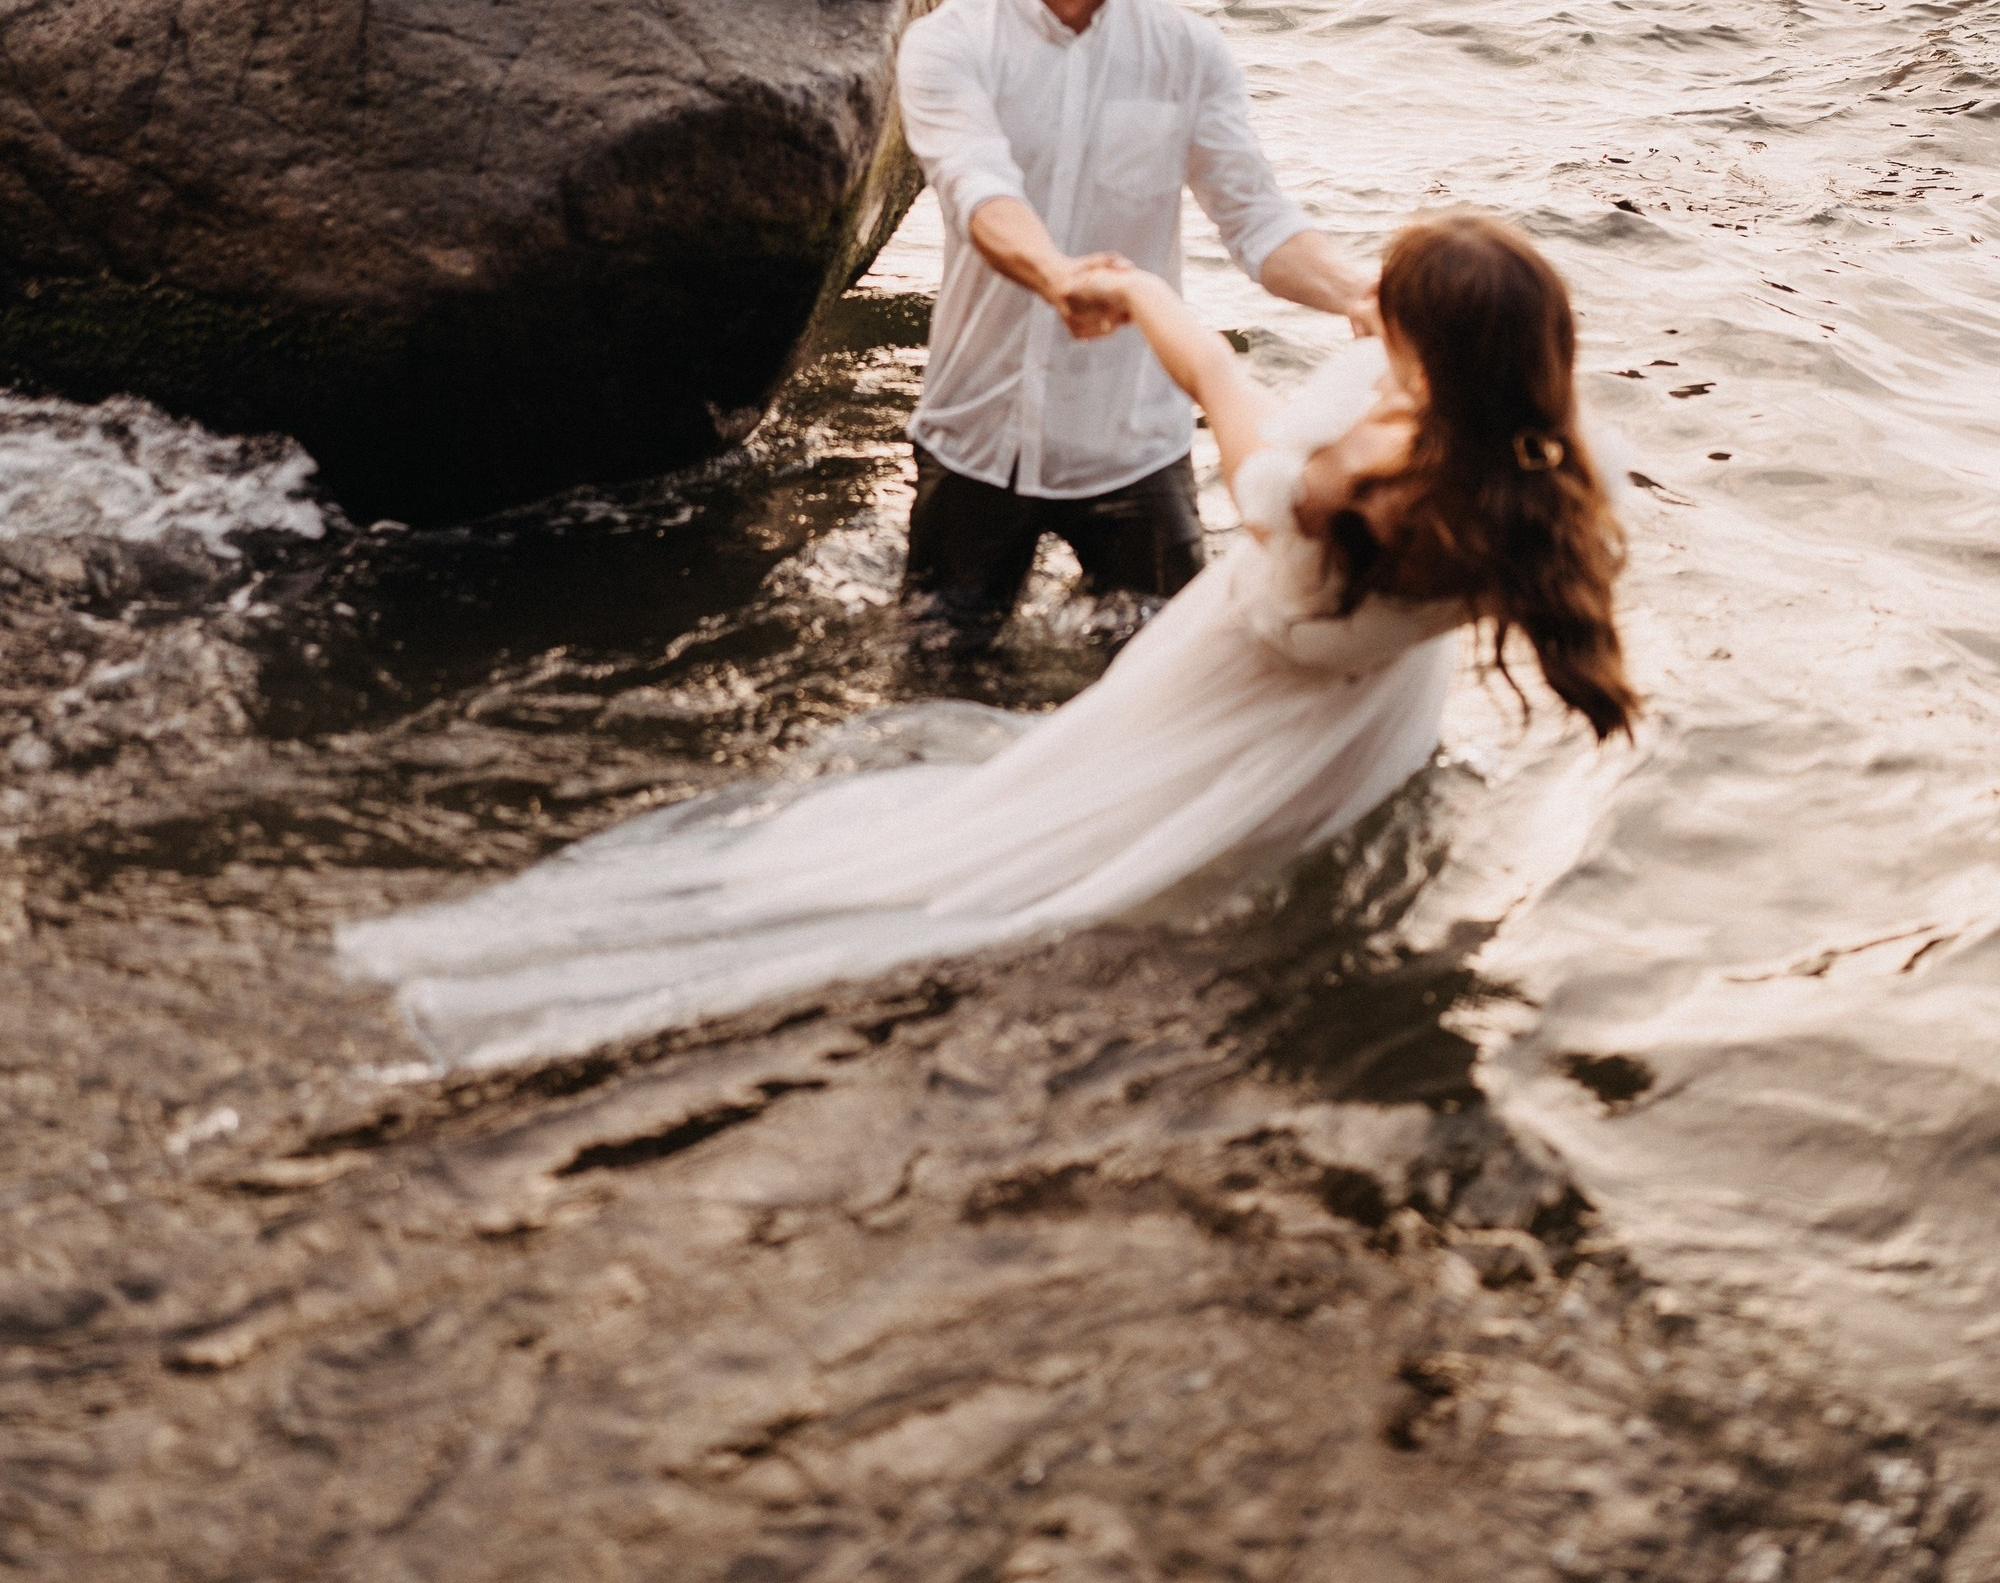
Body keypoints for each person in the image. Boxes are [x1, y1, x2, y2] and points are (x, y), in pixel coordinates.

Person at [336, 212, 1635, 1072]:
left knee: (1009, 835)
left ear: (1418, 350)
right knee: (1235, 833)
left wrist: (1134, 290)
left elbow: (1225, 398)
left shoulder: (1339, 486)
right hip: (1358, 716)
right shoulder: (1545, 485)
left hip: (1230, 667)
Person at [894, 0, 1375, 664]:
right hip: (974, 438)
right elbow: (978, 188)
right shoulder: (949, 44)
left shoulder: (1188, 53)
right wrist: (1055, 276)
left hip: (1131, 448)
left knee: (1172, 679)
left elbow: (1257, 220)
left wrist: (1360, 291)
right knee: (935, 680)